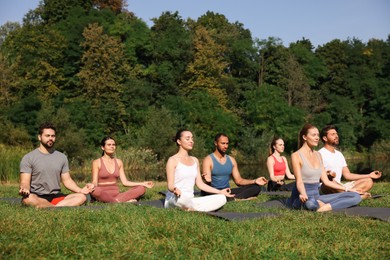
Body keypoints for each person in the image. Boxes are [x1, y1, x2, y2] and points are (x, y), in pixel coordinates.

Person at [286, 123, 362, 212]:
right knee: (310, 203)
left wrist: (347, 189)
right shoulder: (296, 155)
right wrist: (303, 194)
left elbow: (326, 181)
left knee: (355, 196)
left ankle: (326, 207)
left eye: (318, 135)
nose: (317, 138)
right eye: (314, 135)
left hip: (317, 197)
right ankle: (321, 205)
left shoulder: (318, 155)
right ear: (304, 137)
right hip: (303, 198)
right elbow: (299, 182)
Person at [19, 123, 94, 208]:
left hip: (56, 196)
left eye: (53, 136)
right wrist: (24, 188)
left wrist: (80, 190)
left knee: (81, 197)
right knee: (28, 199)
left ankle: (49, 207)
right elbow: (25, 181)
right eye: (47, 136)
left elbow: (67, 180)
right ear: (39, 137)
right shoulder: (29, 157)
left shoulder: (62, 157)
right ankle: (56, 207)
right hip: (37, 196)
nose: (50, 138)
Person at [165, 129, 233, 212]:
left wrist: (220, 191)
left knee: (222, 198)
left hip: (191, 199)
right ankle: (195, 208)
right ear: (179, 141)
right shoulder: (172, 160)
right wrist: (175, 189)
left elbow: (200, 184)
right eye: (188, 139)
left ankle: (192, 208)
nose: (191, 141)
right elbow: (170, 185)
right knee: (183, 200)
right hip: (175, 198)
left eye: (192, 139)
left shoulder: (195, 160)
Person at [319, 125, 382, 197]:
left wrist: (369, 175)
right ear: (325, 138)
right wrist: (328, 175)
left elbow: (347, 175)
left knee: (368, 181)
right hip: (326, 186)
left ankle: (349, 195)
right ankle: (354, 195)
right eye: (333, 134)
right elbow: (317, 177)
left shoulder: (339, 154)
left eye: (336, 134)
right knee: (330, 182)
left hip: (340, 187)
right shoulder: (319, 154)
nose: (336, 136)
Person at [202, 133, 268, 200]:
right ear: (216, 143)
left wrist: (255, 181)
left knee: (256, 187)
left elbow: (239, 181)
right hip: (214, 191)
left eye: (227, 143)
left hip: (227, 191)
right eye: (223, 143)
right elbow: (207, 183)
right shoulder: (208, 160)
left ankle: (234, 198)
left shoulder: (231, 160)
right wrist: (207, 181)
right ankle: (236, 198)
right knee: (206, 193)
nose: (225, 146)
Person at [91, 136, 154, 203]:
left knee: (141, 188)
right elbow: (95, 181)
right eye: (109, 145)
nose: (112, 146)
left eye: (113, 145)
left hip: (117, 195)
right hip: (103, 194)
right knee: (95, 190)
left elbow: (125, 182)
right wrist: (92, 186)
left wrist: (143, 183)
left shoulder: (119, 162)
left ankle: (115, 201)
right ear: (103, 147)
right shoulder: (96, 162)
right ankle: (120, 201)